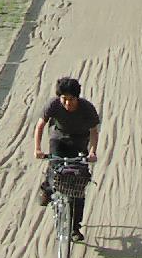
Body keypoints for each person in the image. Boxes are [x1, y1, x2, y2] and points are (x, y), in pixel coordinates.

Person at [34, 76, 100, 241]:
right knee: (55, 167)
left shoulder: (87, 109)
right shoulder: (54, 105)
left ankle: (74, 229)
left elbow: (94, 131)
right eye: (64, 99)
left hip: (79, 143)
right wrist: (37, 149)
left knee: (78, 186)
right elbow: (41, 124)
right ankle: (47, 188)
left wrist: (92, 152)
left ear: (77, 97)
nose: (67, 103)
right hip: (58, 139)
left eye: (71, 99)